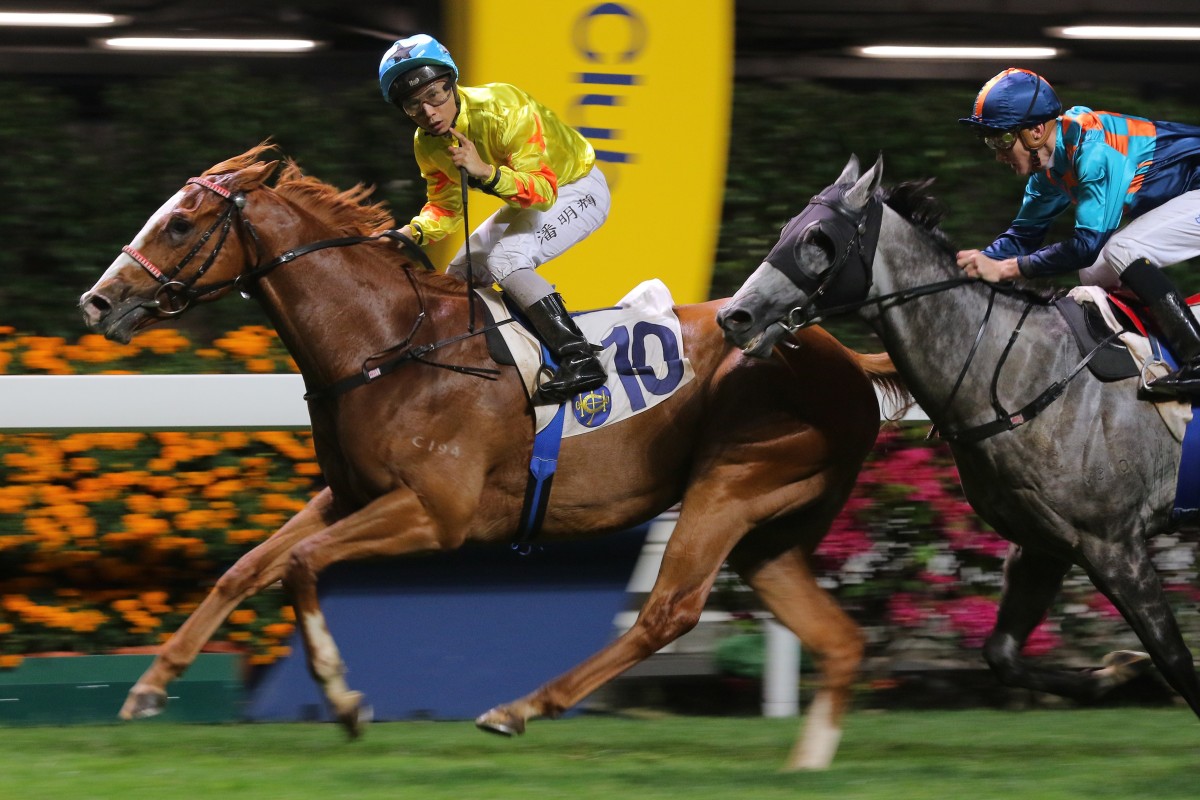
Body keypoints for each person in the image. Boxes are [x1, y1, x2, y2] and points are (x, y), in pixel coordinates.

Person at [373, 33, 610, 404]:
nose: (429, 113)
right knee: (458, 276)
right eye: (414, 106)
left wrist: (485, 172)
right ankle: (491, 367)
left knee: (506, 260)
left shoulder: (504, 106)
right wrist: (405, 235)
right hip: (528, 200)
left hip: (577, 187)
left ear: (451, 84)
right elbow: (446, 208)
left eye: (434, 96)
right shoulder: (426, 143)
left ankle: (580, 358)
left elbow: (543, 191)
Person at [955, 67, 1200, 399]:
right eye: (990, 140)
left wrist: (1006, 269)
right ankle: (1154, 349)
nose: (997, 153)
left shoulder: (1094, 151)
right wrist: (968, 265)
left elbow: (1086, 244)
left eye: (1002, 138)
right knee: (1094, 271)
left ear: (1036, 131)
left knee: (1120, 250)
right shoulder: (1048, 171)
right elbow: (1022, 237)